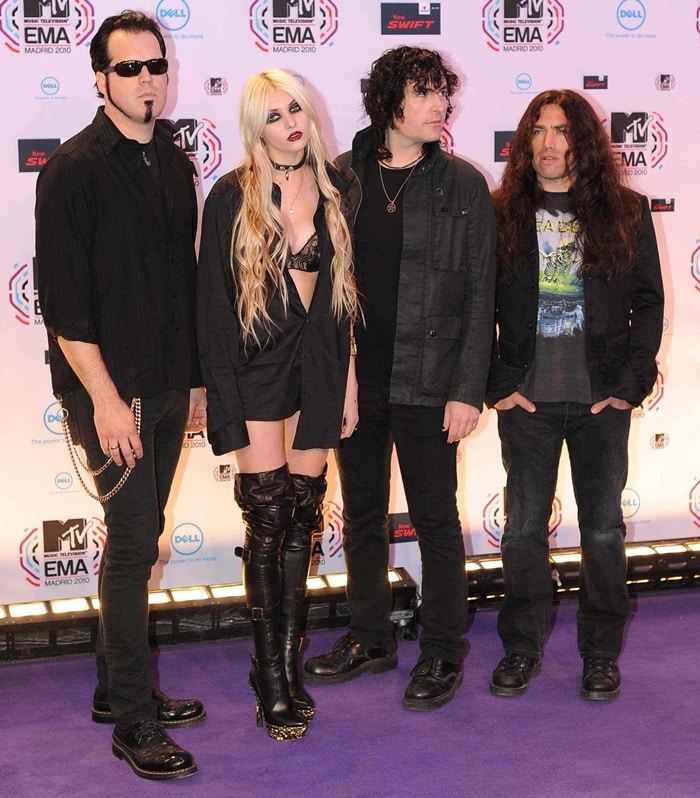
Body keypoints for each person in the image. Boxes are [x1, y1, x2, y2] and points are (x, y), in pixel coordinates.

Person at [35, 10, 206, 781]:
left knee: (142, 539)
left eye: (154, 67)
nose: (146, 80)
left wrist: (196, 382)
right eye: (129, 68)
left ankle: (115, 689)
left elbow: (186, 283)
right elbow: (64, 304)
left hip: (170, 385)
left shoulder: (173, 162)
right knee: (135, 544)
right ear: (99, 78)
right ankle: (134, 721)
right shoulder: (73, 168)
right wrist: (103, 399)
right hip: (111, 391)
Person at [303, 46, 497, 710]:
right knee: (360, 514)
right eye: (424, 92)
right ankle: (369, 637)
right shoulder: (341, 177)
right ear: (390, 101)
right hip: (358, 382)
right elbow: (324, 289)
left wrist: (468, 389)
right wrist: (337, 378)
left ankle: (442, 650)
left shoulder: (463, 185)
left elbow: (481, 297)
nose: (440, 104)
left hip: (431, 381)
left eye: (444, 91)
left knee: (437, 520)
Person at [486, 89, 664, 701]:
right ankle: (521, 649)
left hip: (600, 404)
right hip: (527, 403)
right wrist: (497, 383)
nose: (548, 143)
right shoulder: (500, 212)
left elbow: (650, 303)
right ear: (524, 141)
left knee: (604, 532)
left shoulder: (627, 212)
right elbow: (475, 305)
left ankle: (600, 655)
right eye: (537, 130)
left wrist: (629, 385)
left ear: (583, 141)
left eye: (561, 130)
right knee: (522, 533)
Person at [197, 69, 359, 740]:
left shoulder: (333, 188)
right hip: (255, 367)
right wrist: (215, 392)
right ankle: (269, 677)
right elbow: (211, 304)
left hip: (319, 367)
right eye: (273, 115)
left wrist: (346, 381)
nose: (289, 121)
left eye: (295, 108)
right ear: (254, 127)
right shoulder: (231, 196)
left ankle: (288, 669)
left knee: (304, 521)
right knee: (267, 520)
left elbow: (345, 299)